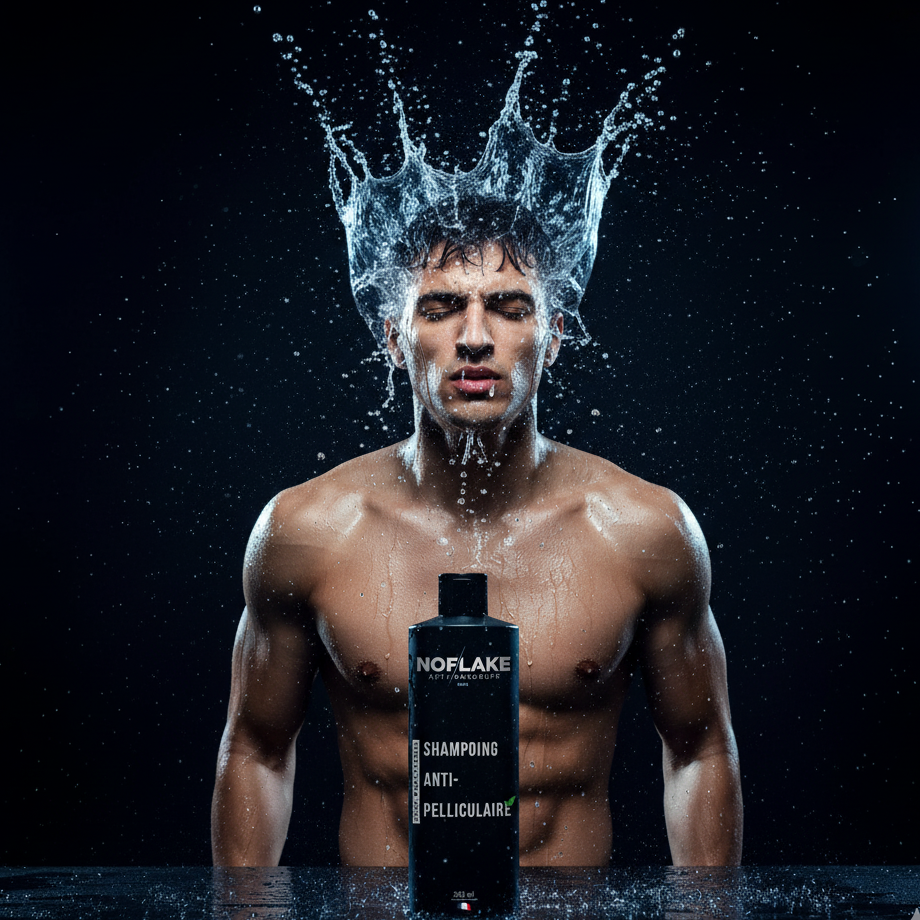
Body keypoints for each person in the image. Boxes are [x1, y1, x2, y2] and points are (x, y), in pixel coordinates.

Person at [210, 198, 743, 868]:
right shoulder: (308, 531)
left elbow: (701, 751)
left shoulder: (642, 529)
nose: (474, 337)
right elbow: (256, 749)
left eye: (510, 307)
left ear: (551, 336)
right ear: (396, 339)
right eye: (438, 308)